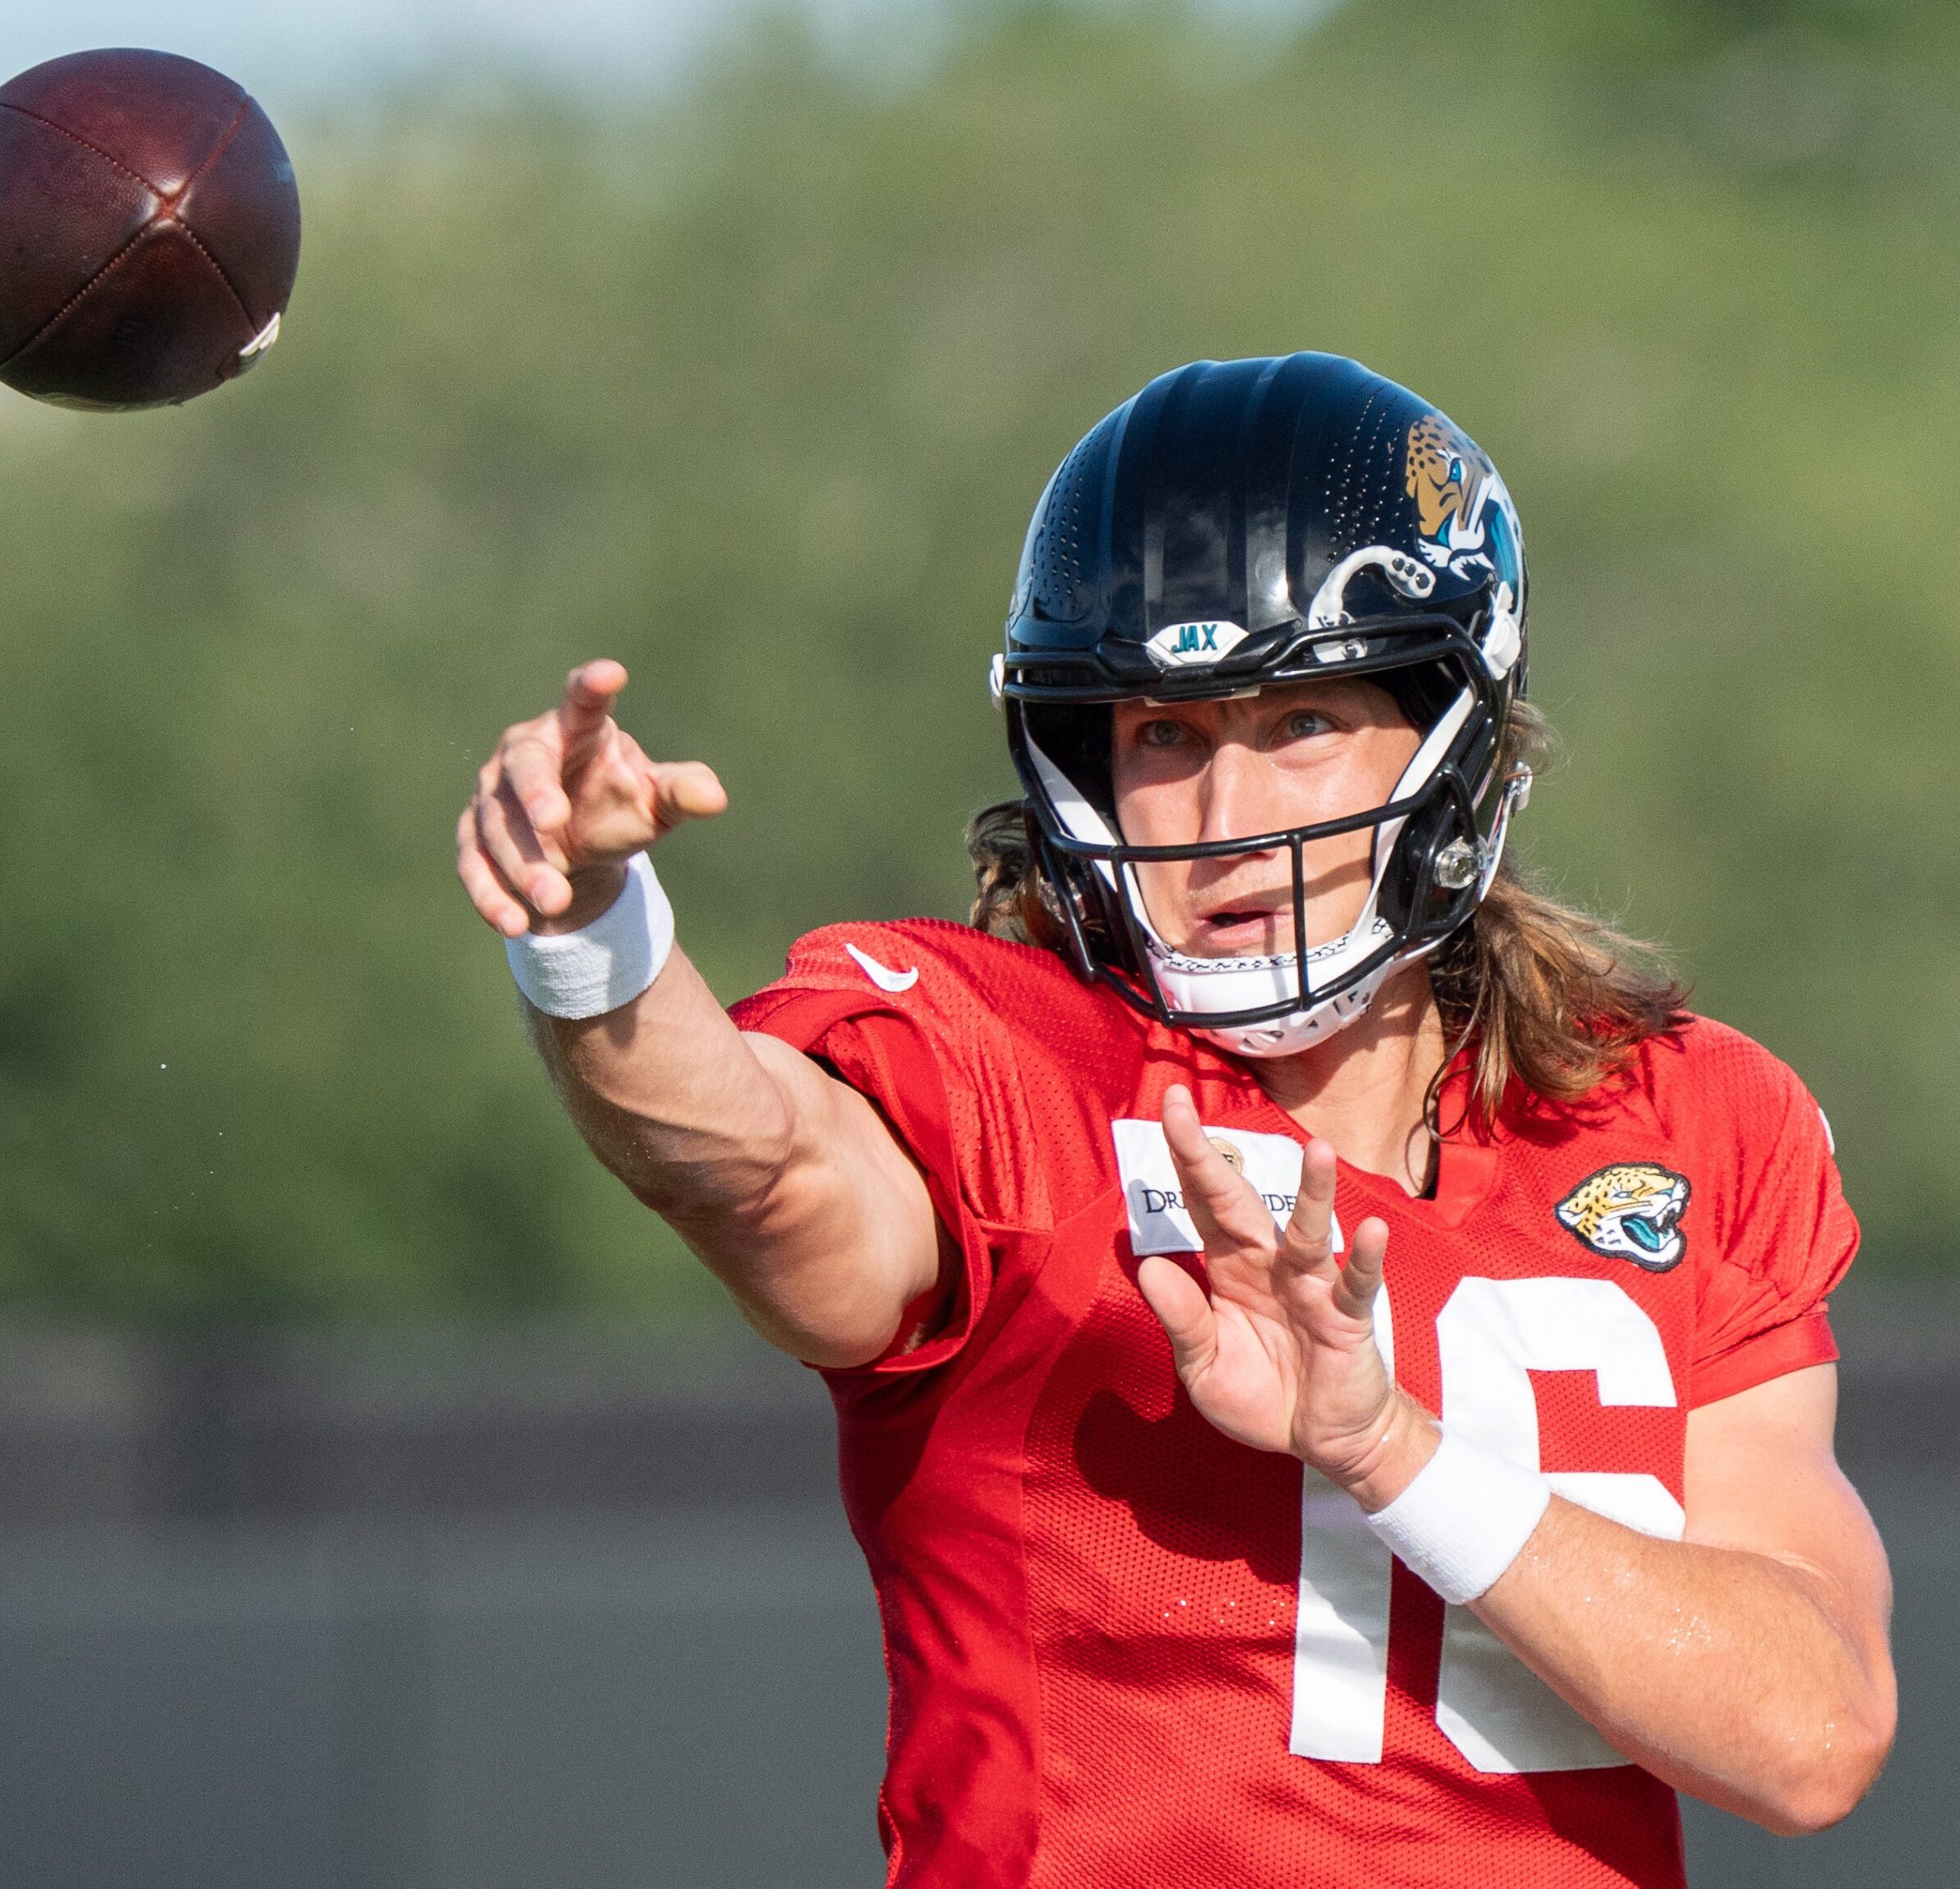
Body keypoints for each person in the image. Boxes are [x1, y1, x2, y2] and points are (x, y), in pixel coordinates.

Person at [455, 354, 1893, 1887]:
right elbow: (752, 1162)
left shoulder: (1678, 1112)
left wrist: (1391, 1451)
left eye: (1301, 723)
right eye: (1166, 738)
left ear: (1450, 746)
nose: (1223, 821)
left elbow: (1809, 1733)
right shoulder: (1008, 1067)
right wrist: (594, 929)